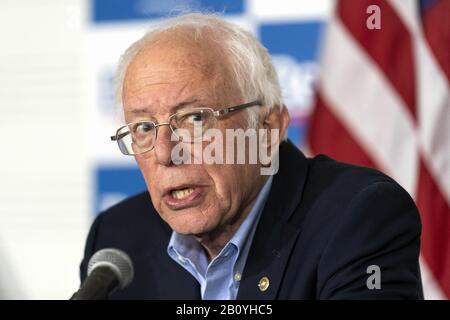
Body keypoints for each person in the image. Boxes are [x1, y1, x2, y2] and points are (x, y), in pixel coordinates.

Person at [79, 13, 423, 299]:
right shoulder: (117, 238)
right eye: (142, 128)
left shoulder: (360, 216)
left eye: (195, 119)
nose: (166, 152)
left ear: (269, 128)